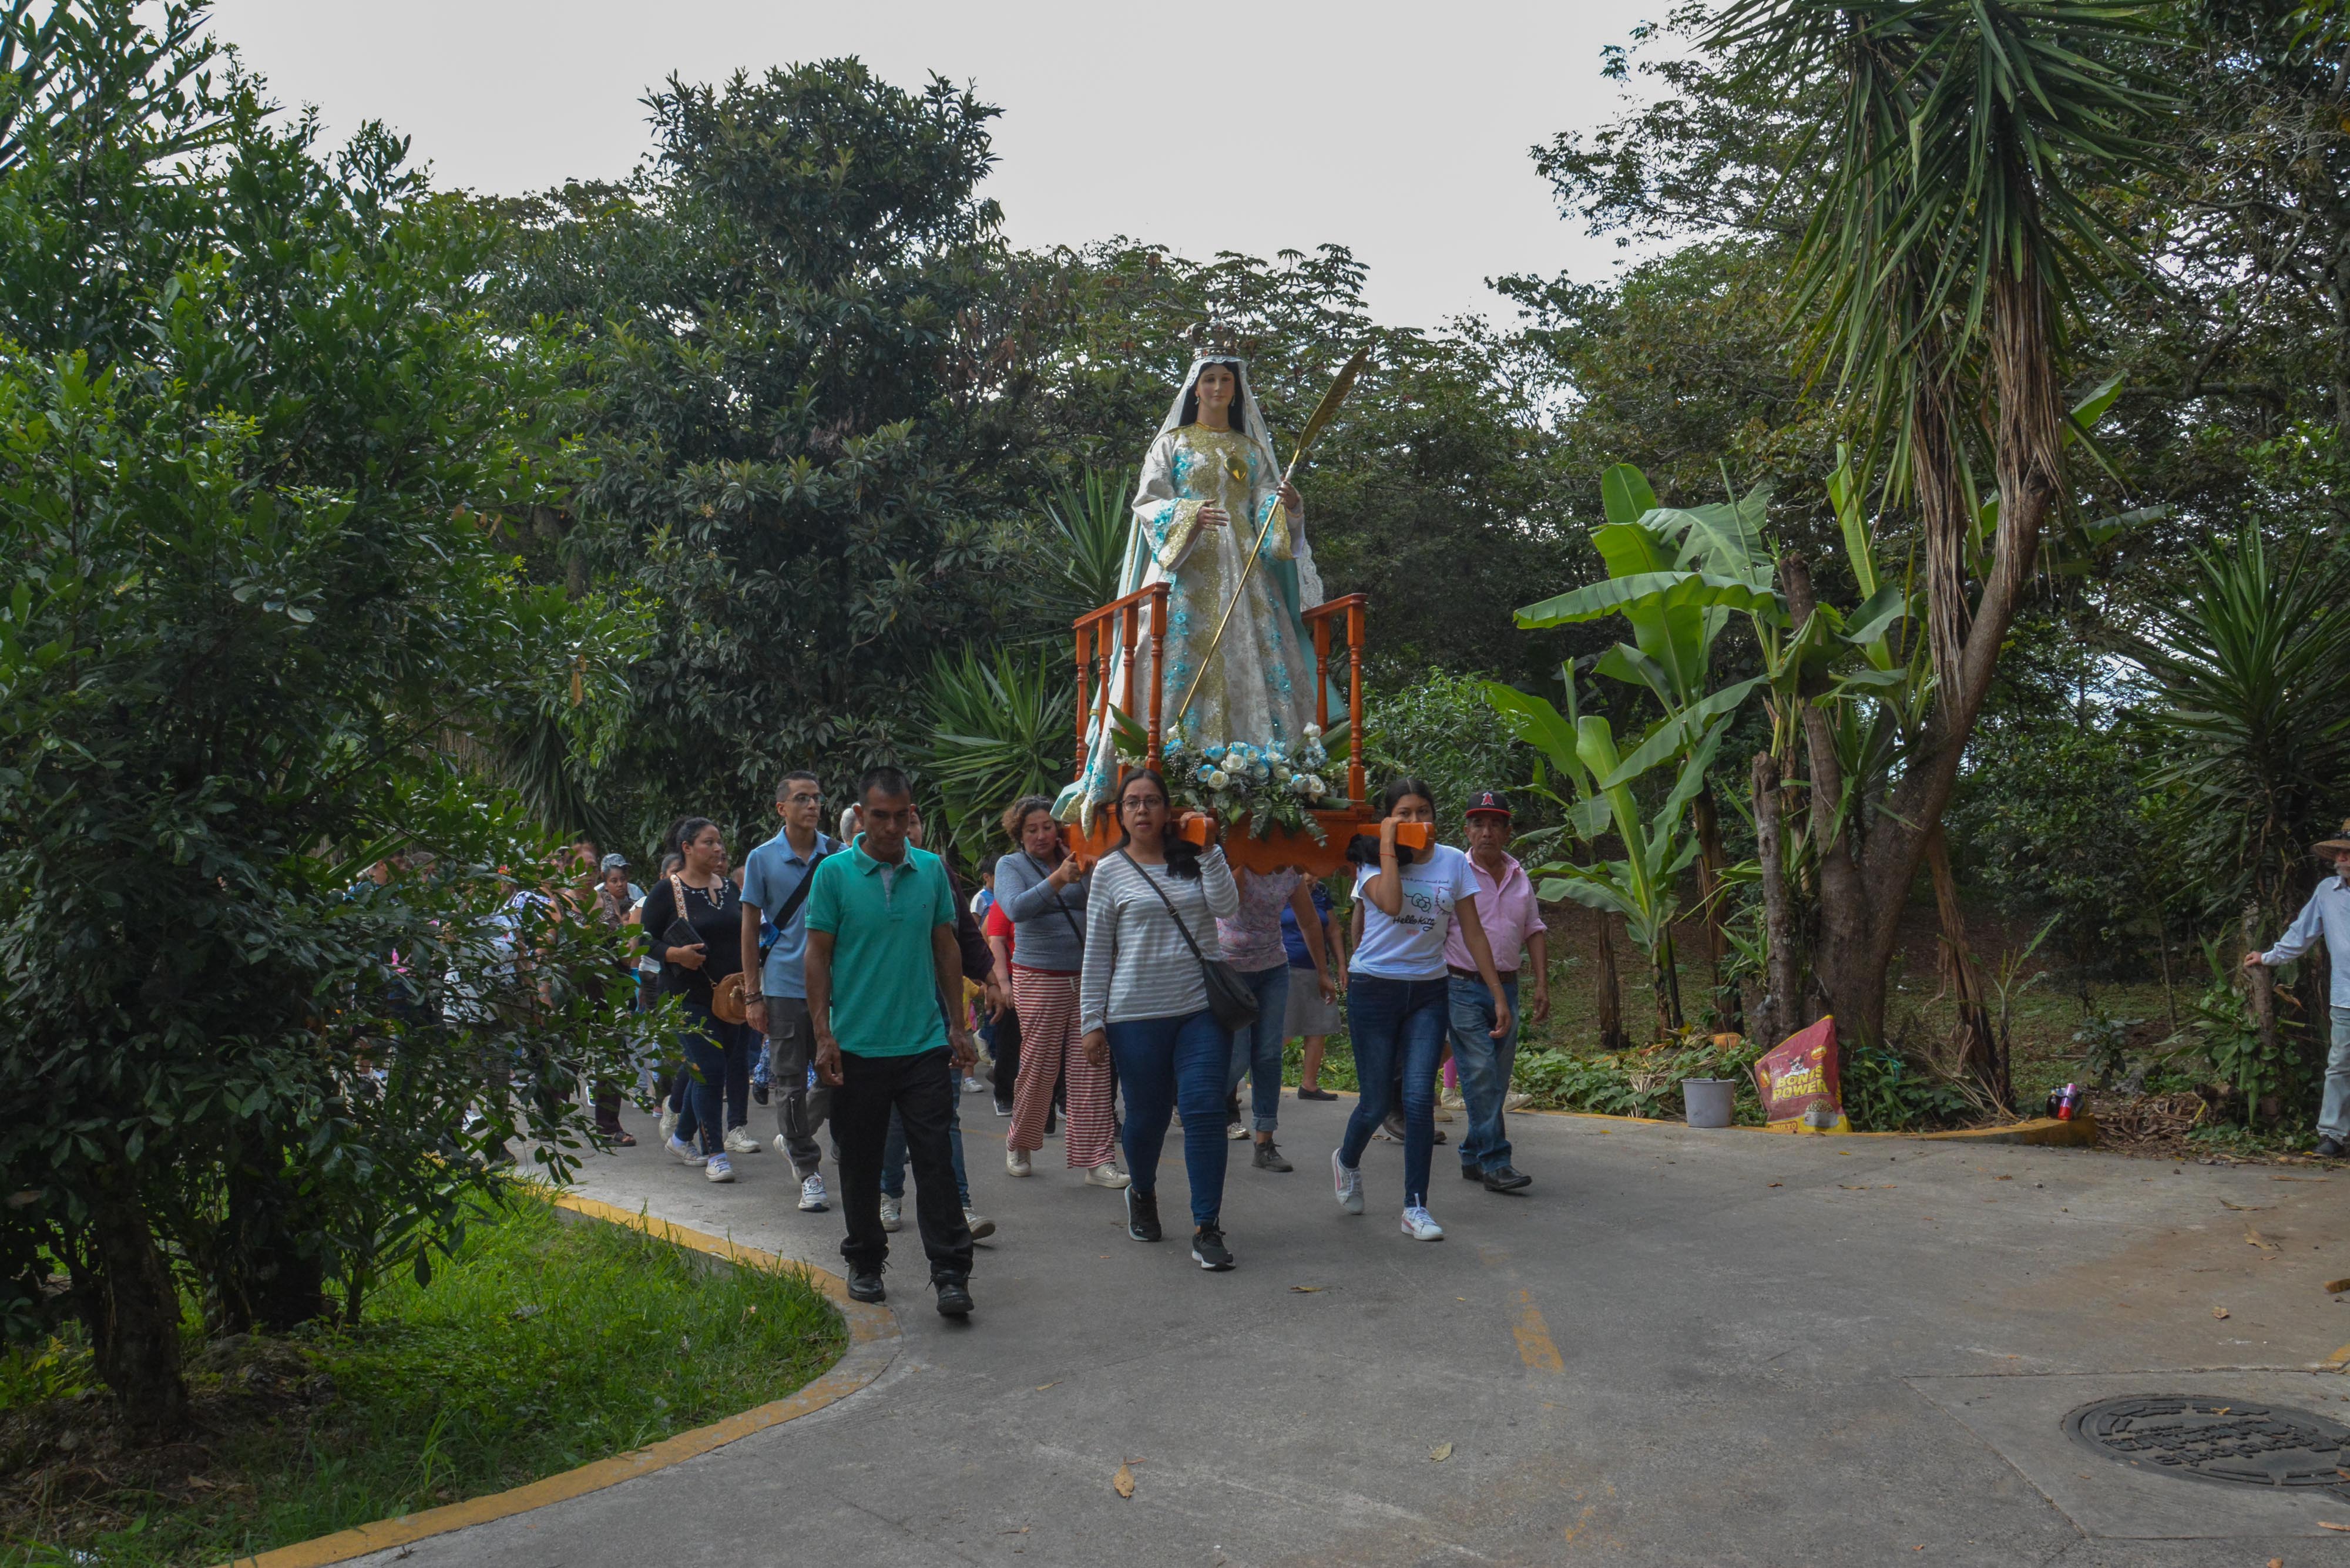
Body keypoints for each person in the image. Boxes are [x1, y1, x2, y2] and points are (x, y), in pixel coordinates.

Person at [1061, 338, 1327, 822]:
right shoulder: (1172, 444)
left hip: (1246, 573)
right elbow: (1148, 502)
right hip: (1183, 570)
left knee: (1255, 659)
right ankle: (1166, 767)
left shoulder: (1252, 450)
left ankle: (1261, 772)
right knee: (1170, 656)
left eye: (1226, 380)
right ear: (1196, 388)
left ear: (1236, 389)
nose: (1218, 388)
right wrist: (1187, 514)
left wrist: (1288, 506)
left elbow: (1266, 513)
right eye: (1210, 379)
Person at [806, 769, 981, 1317]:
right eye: (877, 815)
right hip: (857, 1046)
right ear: (860, 816)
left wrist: (958, 1024)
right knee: (859, 1162)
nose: (889, 826)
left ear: (911, 815)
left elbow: (946, 947)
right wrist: (824, 1035)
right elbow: (817, 955)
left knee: (935, 1161)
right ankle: (864, 1261)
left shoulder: (930, 870)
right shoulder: (833, 874)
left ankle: (951, 1273)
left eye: (900, 815)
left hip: (924, 1043)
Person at [1330, 778, 1511, 1242]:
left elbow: (1472, 932)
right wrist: (1389, 844)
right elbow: (1389, 904)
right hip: (1375, 989)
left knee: (1416, 1100)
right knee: (1374, 1103)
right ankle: (1346, 1160)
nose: (1417, 822)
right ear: (1388, 818)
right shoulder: (1369, 859)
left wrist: (1497, 993)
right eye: (1404, 813)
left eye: (1424, 812)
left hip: (1429, 991)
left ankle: (1415, 1206)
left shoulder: (1453, 861)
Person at [1080, 768, 1243, 1270]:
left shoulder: (1195, 860)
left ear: (1169, 811)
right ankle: (1144, 1191)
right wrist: (1092, 1020)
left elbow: (1227, 906)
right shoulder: (1109, 871)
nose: (1143, 810)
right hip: (1136, 1016)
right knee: (1147, 1118)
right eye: (1132, 802)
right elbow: (1098, 952)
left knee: (1203, 1110)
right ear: (1120, 813)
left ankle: (1206, 1226)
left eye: (1152, 801)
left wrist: (1212, 846)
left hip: (1199, 1011)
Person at [996, 794, 1127, 1190]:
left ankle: (1098, 1159)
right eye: (1032, 829)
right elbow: (1015, 908)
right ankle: (1019, 1142)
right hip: (1039, 975)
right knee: (1039, 1065)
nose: (1041, 835)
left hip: (1087, 974)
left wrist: (1084, 871)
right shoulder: (1011, 865)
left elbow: (1105, 903)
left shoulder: (1080, 856)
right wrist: (1058, 879)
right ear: (1019, 834)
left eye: (1047, 827)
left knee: (1093, 1063)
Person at [741, 771, 838, 1213]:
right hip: (782, 986)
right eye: (802, 798)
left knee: (842, 1073)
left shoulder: (837, 855)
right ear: (781, 808)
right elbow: (750, 927)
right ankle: (807, 1168)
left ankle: (794, 1135)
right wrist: (752, 994)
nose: (812, 805)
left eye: (816, 798)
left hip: (836, 987)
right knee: (791, 1082)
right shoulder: (762, 859)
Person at [640, 818, 757, 1183]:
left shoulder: (731, 889)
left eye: (720, 842)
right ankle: (716, 1153)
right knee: (709, 1070)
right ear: (687, 848)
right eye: (709, 842)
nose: (718, 849)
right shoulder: (666, 891)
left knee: (711, 1069)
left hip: (731, 997)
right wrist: (675, 954)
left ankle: (679, 1138)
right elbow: (641, 942)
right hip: (686, 996)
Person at [1448, 790, 1549, 1194]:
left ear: (1507, 831)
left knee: (1497, 1078)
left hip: (1509, 986)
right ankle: (1496, 1161)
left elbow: (1534, 930)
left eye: (1494, 824)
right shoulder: (1454, 871)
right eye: (1478, 823)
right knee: (1480, 1074)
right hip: (1461, 985)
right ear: (1467, 830)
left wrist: (1541, 983)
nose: (1485, 831)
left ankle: (1473, 1154)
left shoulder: (1519, 875)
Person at [2243, 820, 2350, 1157]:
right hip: (2346, 998)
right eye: (2340, 852)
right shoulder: (2327, 892)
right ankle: (2333, 1136)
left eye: (2349, 853)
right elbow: (2302, 933)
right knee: (2340, 1065)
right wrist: (2269, 957)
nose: (2343, 858)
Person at [1217, 865, 1331, 1172]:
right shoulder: (1241, 865)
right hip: (1231, 969)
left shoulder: (1291, 872)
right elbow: (1223, 903)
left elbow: (1309, 921)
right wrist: (1243, 862)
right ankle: (1201, 1115)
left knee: (1268, 1056)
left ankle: (1264, 1143)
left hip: (1273, 968)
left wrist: (1323, 972)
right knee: (1237, 1057)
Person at [1284, 881, 1347, 1100]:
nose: (1310, 878)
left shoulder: (1322, 891)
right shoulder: (1284, 887)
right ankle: (1258, 1078)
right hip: (1288, 966)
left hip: (1319, 968)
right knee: (1285, 1030)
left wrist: (1341, 965)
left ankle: (1309, 1084)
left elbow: (1333, 930)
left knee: (1319, 1025)